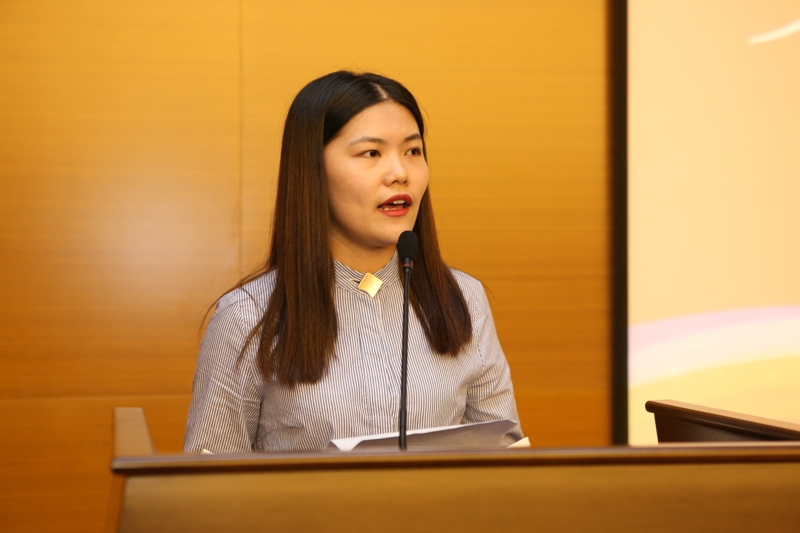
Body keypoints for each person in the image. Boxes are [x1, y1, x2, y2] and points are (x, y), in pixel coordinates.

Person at [184, 71, 523, 453]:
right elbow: (210, 481)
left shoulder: (464, 299)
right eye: (372, 153)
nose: (400, 174)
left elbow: (506, 460)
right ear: (313, 170)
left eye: (413, 151)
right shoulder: (247, 317)